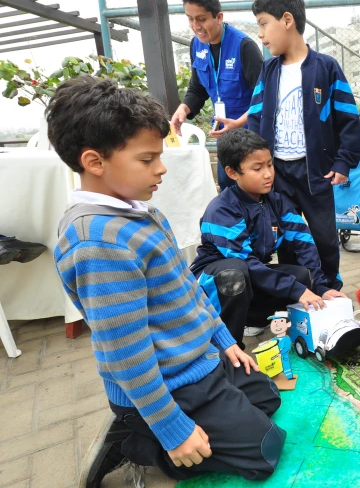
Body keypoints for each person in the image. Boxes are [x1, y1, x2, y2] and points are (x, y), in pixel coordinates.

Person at [48, 76, 285, 486]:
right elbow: (126, 352)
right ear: (94, 162)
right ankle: (138, 438)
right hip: (169, 383)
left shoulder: (140, 212)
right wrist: (172, 428)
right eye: (147, 159)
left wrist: (225, 341)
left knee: (267, 397)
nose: (161, 169)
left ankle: (185, 418)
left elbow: (187, 291)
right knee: (265, 449)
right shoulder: (98, 244)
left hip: (197, 361)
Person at [247, 0, 360, 290]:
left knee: (324, 236)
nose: (260, 35)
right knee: (285, 236)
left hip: (316, 173)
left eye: (263, 24)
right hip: (278, 173)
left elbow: (348, 120)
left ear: (287, 20)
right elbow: (256, 118)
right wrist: (257, 164)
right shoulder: (268, 71)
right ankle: (294, 294)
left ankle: (331, 291)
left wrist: (343, 161)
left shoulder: (326, 68)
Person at [190, 129, 345, 347]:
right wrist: (296, 290)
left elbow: (304, 243)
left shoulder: (277, 202)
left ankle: (254, 320)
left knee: (301, 275)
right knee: (235, 273)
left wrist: (320, 287)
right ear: (232, 172)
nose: (268, 174)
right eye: (257, 168)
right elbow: (244, 261)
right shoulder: (222, 210)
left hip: (247, 276)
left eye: (269, 165)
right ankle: (227, 351)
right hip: (214, 283)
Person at [171, 0, 264, 190]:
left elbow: (264, 97)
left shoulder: (243, 46)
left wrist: (239, 122)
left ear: (218, 17)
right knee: (226, 185)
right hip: (225, 135)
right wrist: (183, 108)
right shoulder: (196, 46)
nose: (196, 26)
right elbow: (198, 89)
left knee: (253, 190)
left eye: (202, 19)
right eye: (190, 19)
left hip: (251, 134)